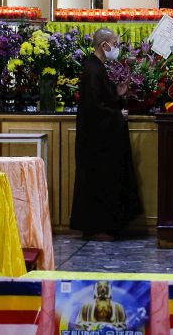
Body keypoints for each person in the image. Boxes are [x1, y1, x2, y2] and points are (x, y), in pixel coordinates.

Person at [70, 28, 142, 240]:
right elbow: (94, 109)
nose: (116, 48)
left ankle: (104, 226)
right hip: (95, 141)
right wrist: (118, 115)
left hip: (100, 139)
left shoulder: (97, 67)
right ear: (104, 46)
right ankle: (95, 228)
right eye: (115, 43)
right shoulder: (93, 69)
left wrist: (116, 93)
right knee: (97, 182)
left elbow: (102, 97)